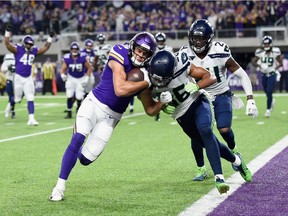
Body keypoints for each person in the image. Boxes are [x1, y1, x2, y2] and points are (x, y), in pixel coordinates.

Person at [49, 32, 157, 201]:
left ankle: (73, 156)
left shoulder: (145, 72)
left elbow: (150, 110)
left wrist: (164, 101)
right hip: (94, 104)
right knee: (77, 139)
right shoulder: (119, 52)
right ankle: (59, 187)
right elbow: (120, 89)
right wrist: (146, 82)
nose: (140, 54)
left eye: (145, 53)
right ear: (132, 46)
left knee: (85, 159)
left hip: (111, 117)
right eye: (139, 49)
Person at [138, 50, 252, 194]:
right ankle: (237, 161)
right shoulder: (145, 77)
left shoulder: (180, 63)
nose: (160, 82)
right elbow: (150, 110)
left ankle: (219, 178)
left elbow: (210, 77)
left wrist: (197, 86)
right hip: (181, 115)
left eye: (164, 78)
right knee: (210, 143)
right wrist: (161, 104)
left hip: (198, 102)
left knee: (206, 130)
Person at [181, 19, 258, 181]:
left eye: (201, 38)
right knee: (198, 135)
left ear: (209, 38)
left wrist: (250, 99)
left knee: (223, 129)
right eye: (194, 37)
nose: (197, 41)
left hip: (220, 93)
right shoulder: (184, 53)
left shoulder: (219, 50)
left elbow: (242, 74)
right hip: (199, 96)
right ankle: (201, 168)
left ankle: (235, 151)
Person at [4, 23, 55, 126]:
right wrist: (7, 32)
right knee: (17, 99)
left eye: (30, 44)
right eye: (27, 44)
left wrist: (50, 38)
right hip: (18, 78)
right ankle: (9, 106)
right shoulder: (18, 49)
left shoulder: (34, 51)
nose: (28, 46)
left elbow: (45, 48)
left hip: (28, 78)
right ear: (24, 43)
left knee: (30, 97)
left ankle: (31, 118)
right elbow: (7, 44)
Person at [60, 41, 92, 119]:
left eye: (76, 49)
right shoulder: (67, 57)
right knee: (69, 95)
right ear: (71, 49)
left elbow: (89, 68)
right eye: (73, 49)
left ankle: (78, 109)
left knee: (79, 96)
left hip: (81, 78)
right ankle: (69, 112)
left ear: (78, 49)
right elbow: (62, 69)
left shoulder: (82, 57)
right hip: (71, 78)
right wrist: (62, 75)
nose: (74, 50)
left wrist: (86, 79)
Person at [252, 35, 282, 117]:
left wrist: (275, 68)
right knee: (266, 91)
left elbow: (281, 63)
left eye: (267, 44)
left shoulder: (275, 51)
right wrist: (260, 66)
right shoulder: (260, 52)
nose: (266, 46)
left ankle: (268, 110)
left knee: (269, 91)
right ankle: (271, 100)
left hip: (272, 74)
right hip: (263, 74)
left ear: (271, 44)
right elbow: (254, 62)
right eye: (265, 44)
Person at [153, 32, 173, 121]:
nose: (160, 43)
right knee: (157, 94)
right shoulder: (153, 49)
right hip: (155, 74)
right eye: (159, 41)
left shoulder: (169, 49)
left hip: (167, 74)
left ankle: (173, 111)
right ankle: (157, 113)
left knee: (170, 93)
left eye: (161, 41)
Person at [1, 52, 16, 118]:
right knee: (11, 96)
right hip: (9, 79)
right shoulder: (6, 61)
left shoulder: (17, 60)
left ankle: (11, 110)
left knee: (16, 97)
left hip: (16, 80)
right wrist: (8, 68)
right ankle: (11, 110)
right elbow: (2, 69)